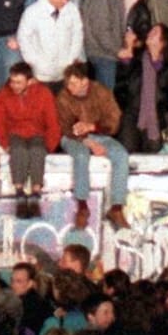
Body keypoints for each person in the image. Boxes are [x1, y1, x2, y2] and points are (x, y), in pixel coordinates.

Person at [56, 61, 131, 231]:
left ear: (86, 81)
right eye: (71, 84)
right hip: (72, 137)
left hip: (99, 134)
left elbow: (114, 120)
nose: (74, 88)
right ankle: (82, 206)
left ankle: (117, 207)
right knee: (81, 155)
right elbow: (64, 127)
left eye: (78, 83)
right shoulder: (63, 97)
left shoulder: (101, 92)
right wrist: (87, 141)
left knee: (121, 155)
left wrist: (92, 127)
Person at [0, 62, 60, 219]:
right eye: (12, 81)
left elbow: (52, 122)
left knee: (37, 151)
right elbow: (0, 122)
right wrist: (4, 143)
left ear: (29, 81)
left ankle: (36, 193)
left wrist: (50, 145)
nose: (14, 85)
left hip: (38, 132)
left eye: (18, 82)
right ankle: (20, 193)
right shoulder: (3, 95)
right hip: (15, 132)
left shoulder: (43, 93)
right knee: (18, 151)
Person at [114, 23, 168, 154]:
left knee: (154, 154)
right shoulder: (137, 58)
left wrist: (156, 61)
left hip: (156, 117)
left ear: (164, 41)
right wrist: (128, 50)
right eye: (151, 30)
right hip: (132, 114)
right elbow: (122, 82)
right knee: (128, 152)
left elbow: (165, 84)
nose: (150, 32)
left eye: (155, 32)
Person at [17, 0, 84, 89]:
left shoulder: (72, 9)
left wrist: (71, 58)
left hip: (65, 70)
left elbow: (77, 34)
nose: (65, 2)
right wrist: (34, 61)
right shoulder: (32, 12)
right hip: (41, 72)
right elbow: (24, 38)